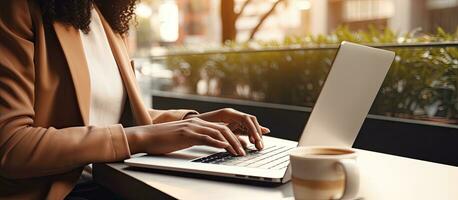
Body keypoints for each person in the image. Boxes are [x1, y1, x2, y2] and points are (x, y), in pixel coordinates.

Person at [0, 0, 269, 199]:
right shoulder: (18, 8)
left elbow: (110, 115)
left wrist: (194, 122)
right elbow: (12, 145)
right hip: (57, 191)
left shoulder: (107, 18)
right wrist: (139, 138)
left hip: (116, 179)